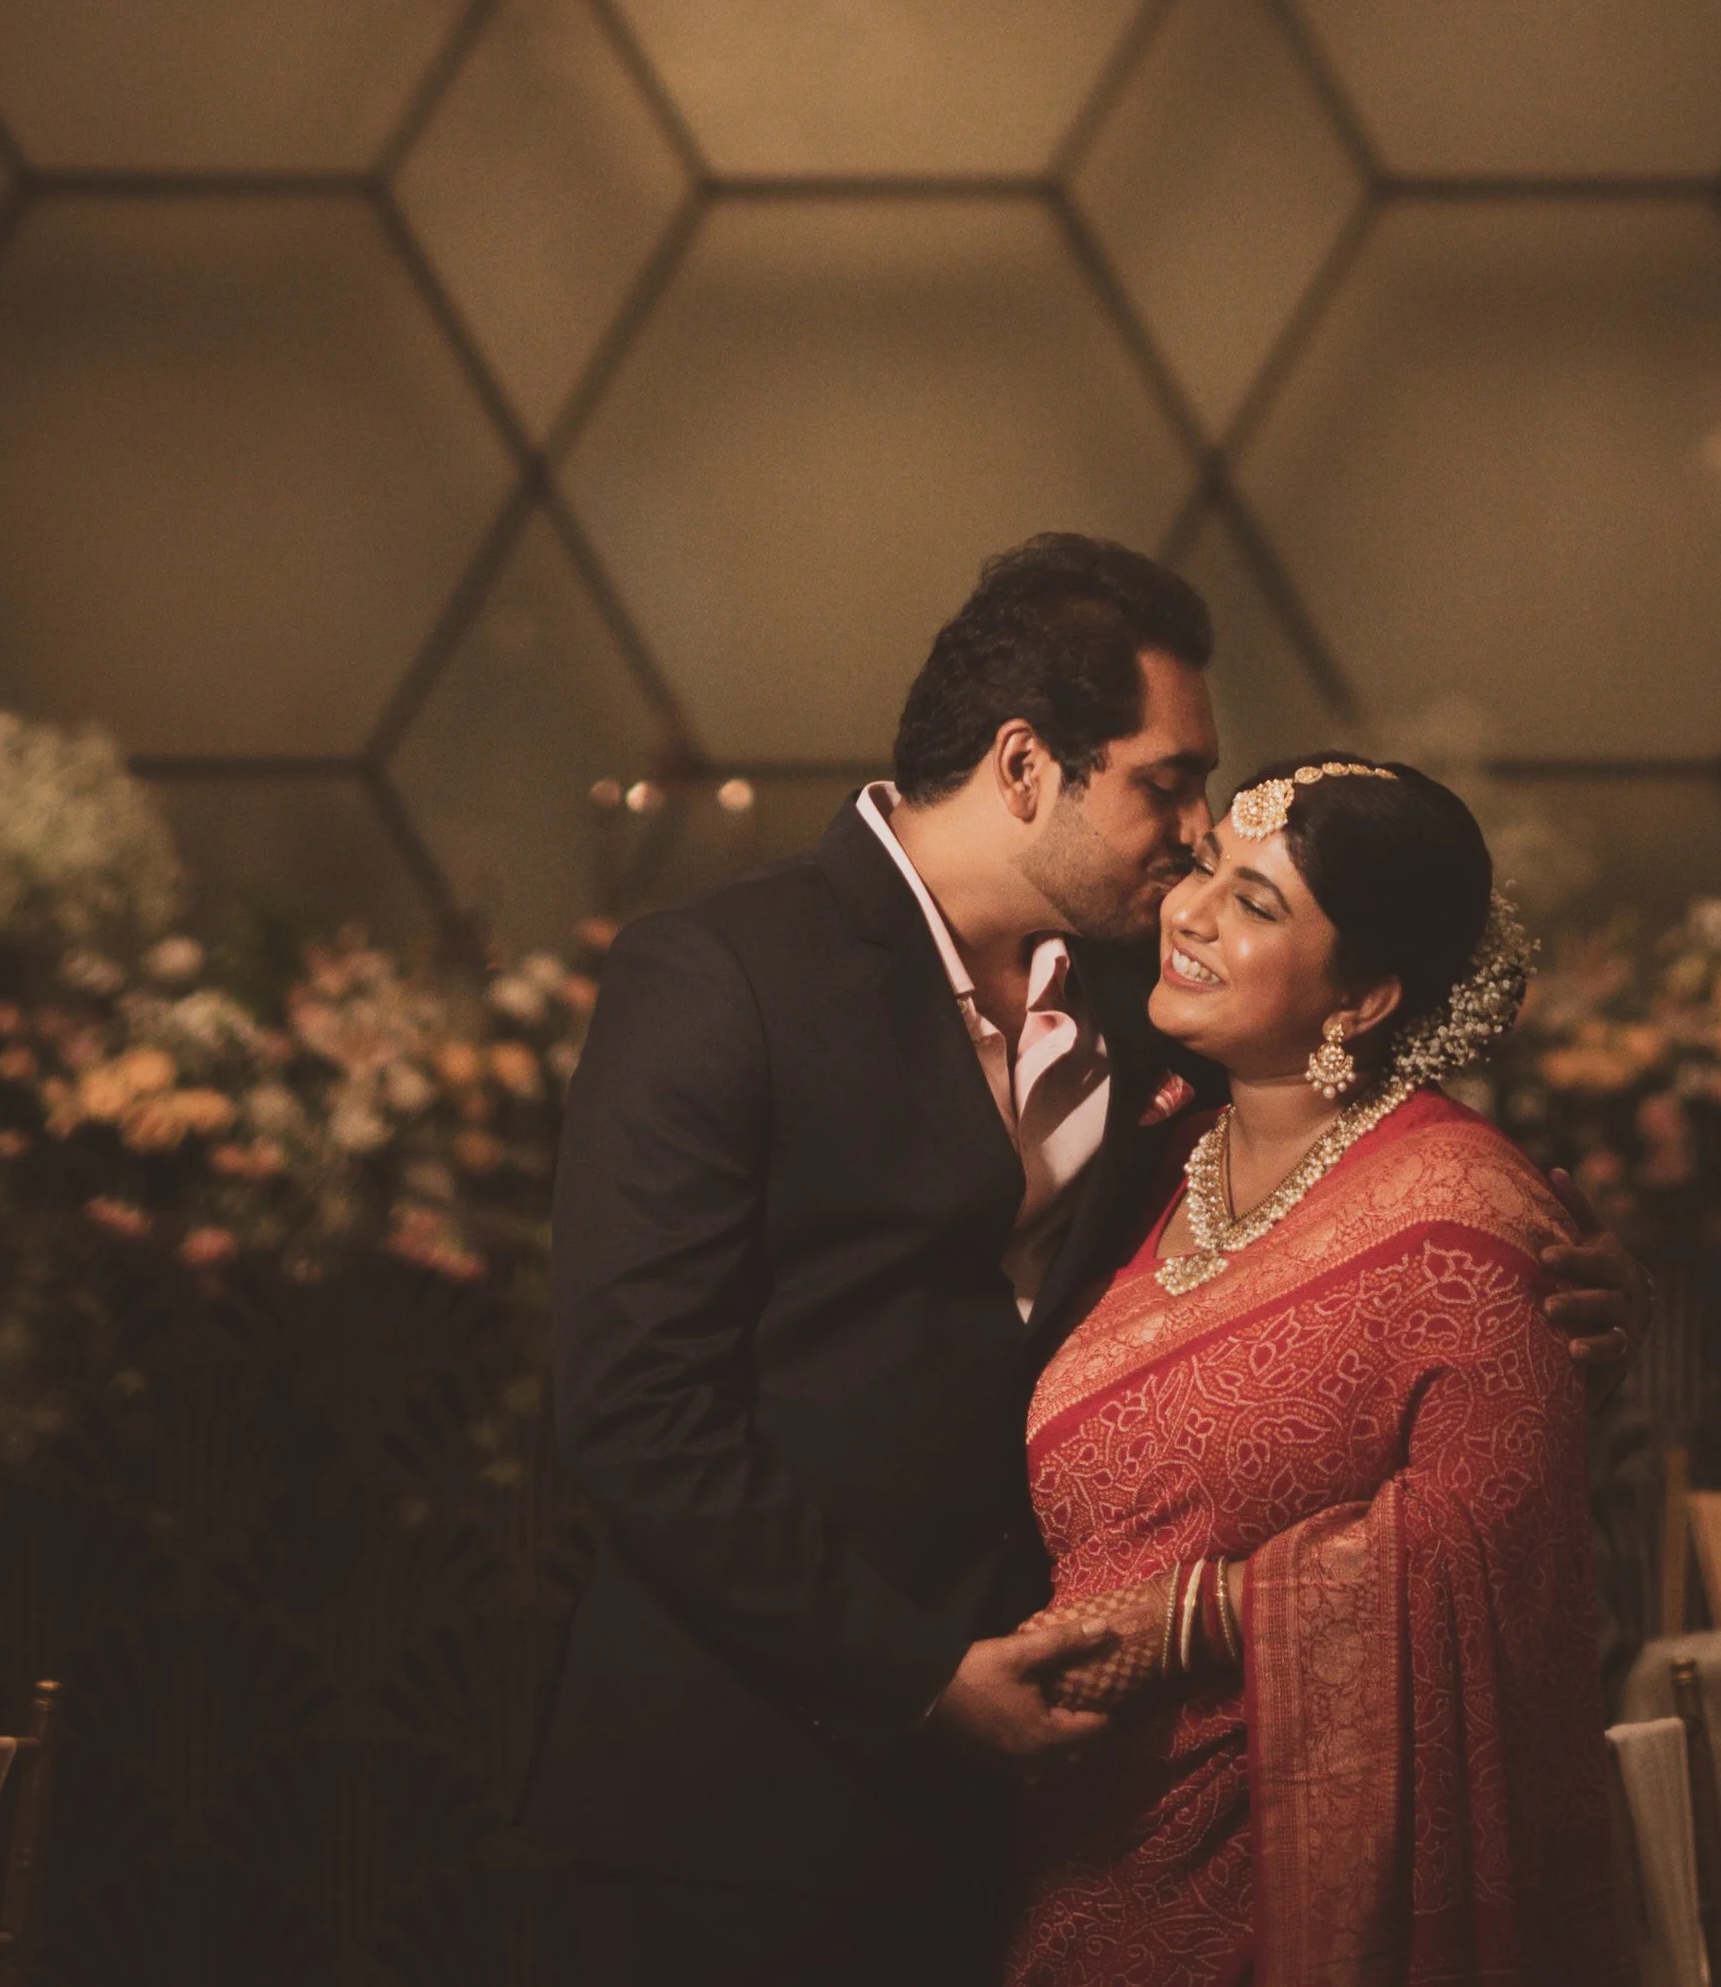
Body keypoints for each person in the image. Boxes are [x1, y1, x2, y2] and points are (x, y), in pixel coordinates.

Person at [528, 544, 1642, 1987]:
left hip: (1022, 1820)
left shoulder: (1150, 999)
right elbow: (631, 1409)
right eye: (1166, 785)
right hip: (732, 1806)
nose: (1193, 843)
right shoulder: (724, 972)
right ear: (1022, 762)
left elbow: (1343, 1182)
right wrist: (923, 1679)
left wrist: (1579, 1292)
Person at [1006, 757, 1628, 1987]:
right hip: (1076, 1850)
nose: (1188, 912)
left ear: (1365, 996)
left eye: (1257, 903)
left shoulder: (1462, 1219)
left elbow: (1487, 1546)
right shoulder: (1149, 1153)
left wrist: (1185, 1624)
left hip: (1301, 1886)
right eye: (1203, 869)